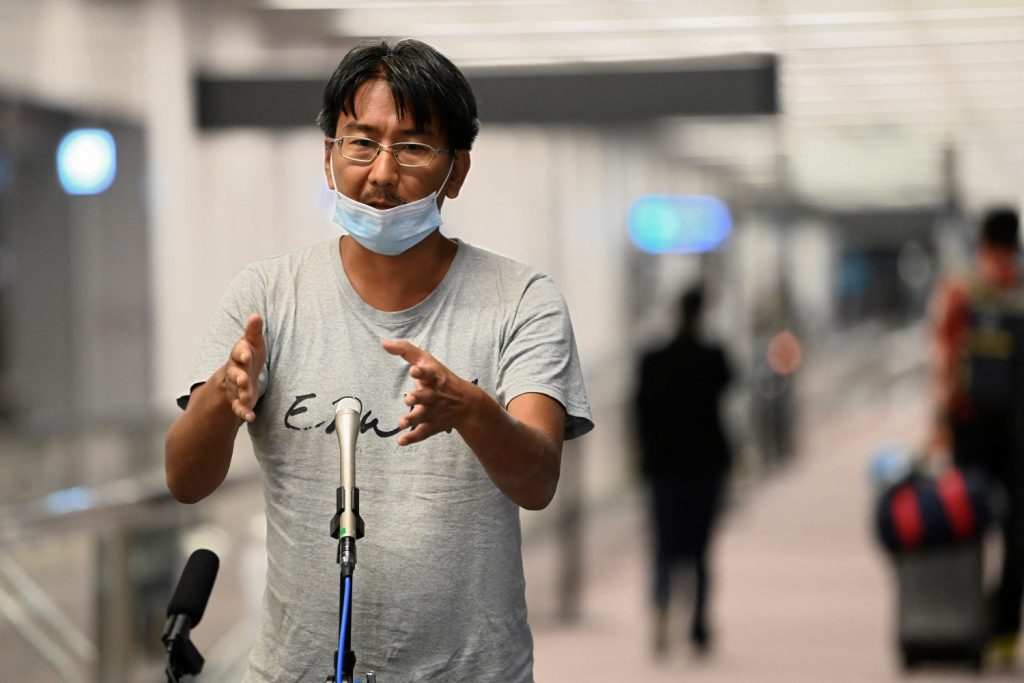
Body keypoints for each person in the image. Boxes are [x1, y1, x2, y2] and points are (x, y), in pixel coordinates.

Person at [165, 38, 593, 682]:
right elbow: (185, 480)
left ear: (458, 169)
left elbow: (538, 480)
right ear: (330, 157)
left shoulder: (521, 301)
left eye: (414, 147)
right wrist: (221, 399)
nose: (383, 173)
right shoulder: (266, 296)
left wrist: (473, 411)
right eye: (360, 143)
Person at [930, 206, 1024, 666]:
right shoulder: (1021, 287)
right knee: (1018, 533)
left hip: (970, 425)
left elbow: (946, 356)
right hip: (1018, 429)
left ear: (984, 238)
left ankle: (964, 625)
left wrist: (941, 423)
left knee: (963, 522)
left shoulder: (963, 287)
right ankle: (1006, 633)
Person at [634, 285, 733, 656]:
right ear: (703, 312)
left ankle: (660, 612)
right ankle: (699, 625)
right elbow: (726, 391)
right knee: (701, 550)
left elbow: (640, 414)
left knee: (663, 546)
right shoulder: (714, 358)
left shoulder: (653, 359)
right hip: (705, 466)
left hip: (663, 468)